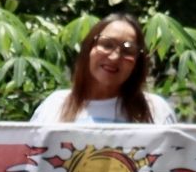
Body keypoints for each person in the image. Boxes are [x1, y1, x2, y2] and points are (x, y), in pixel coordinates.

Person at [28, 13, 177, 125]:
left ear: (137, 62)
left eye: (128, 50)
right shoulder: (54, 106)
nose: (114, 57)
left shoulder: (156, 110)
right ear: (89, 48)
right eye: (107, 44)